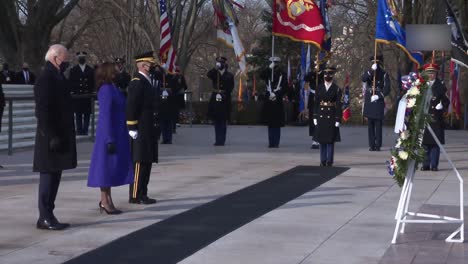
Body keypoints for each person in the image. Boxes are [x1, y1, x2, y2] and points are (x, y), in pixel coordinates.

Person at [33, 44, 77, 230]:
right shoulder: (46, 78)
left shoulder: (58, 76)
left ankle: (49, 214)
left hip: (60, 134)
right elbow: (42, 111)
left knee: (55, 175)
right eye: (65, 59)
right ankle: (44, 215)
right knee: (48, 176)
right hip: (50, 137)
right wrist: (51, 135)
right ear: (55, 58)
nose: (67, 63)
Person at [87, 62, 133, 214]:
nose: (118, 72)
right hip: (109, 134)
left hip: (117, 132)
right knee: (105, 170)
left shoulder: (113, 87)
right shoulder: (106, 89)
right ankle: (104, 201)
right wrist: (109, 139)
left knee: (109, 169)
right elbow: (105, 116)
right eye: (115, 70)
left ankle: (107, 199)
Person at [126, 51, 159, 204]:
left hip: (149, 127)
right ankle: (135, 195)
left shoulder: (147, 81)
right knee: (139, 161)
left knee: (147, 161)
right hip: (140, 128)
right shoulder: (137, 81)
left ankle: (143, 193)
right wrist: (132, 126)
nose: (153, 66)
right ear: (144, 65)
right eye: (151, 64)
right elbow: (132, 106)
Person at [421, 63, 450, 171]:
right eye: (429, 72)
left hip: (436, 118)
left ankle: (434, 164)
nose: (431, 75)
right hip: (424, 116)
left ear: (436, 73)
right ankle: (425, 163)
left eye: (433, 73)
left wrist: (442, 105)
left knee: (435, 143)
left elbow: (447, 101)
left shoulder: (440, 86)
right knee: (424, 143)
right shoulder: (422, 85)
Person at [313, 66, 342, 166]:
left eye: (329, 74)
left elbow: (338, 104)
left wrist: (338, 118)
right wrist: (315, 116)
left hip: (331, 115)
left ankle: (329, 161)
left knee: (330, 140)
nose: (327, 76)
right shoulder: (319, 88)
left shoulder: (336, 89)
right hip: (321, 115)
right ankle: (322, 160)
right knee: (322, 140)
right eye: (325, 74)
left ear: (332, 76)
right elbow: (316, 103)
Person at [362, 55, 390, 151]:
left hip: (377, 98)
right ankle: (371, 144)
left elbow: (387, 88)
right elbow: (364, 79)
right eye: (374, 63)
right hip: (370, 98)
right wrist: (370, 71)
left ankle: (378, 144)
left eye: (377, 63)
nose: (375, 64)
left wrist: (379, 95)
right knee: (370, 123)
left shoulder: (384, 73)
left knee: (378, 124)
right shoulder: (369, 72)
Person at [207, 56, 234, 146]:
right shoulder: (215, 73)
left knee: (223, 121)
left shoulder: (229, 75)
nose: (220, 64)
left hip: (224, 99)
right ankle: (217, 140)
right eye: (218, 62)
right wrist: (215, 68)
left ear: (225, 64)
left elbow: (231, 87)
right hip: (215, 99)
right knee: (216, 121)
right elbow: (209, 74)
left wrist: (224, 94)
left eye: (221, 62)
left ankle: (221, 140)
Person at [260, 56, 287, 148]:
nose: (275, 64)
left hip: (277, 99)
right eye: (273, 62)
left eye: (276, 63)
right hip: (269, 98)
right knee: (270, 122)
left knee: (277, 122)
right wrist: (269, 68)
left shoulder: (282, 73)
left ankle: (276, 142)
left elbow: (285, 87)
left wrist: (277, 94)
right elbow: (261, 75)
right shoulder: (268, 73)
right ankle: (271, 142)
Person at [69, 51, 95, 135]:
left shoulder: (90, 70)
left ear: (85, 58)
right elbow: (71, 82)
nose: (81, 59)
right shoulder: (73, 70)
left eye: (83, 57)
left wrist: (91, 91)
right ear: (77, 59)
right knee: (78, 115)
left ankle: (85, 131)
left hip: (87, 96)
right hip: (78, 96)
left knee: (87, 115)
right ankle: (79, 131)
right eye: (80, 58)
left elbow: (93, 83)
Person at [304, 67, 323, 149]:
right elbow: (306, 79)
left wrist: (320, 73)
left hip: (322, 97)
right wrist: (313, 73)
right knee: (313, 118)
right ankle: (315, 140)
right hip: (313, 97)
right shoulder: (312, 74)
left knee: (321, 118)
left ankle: (320, 139)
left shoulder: (324, 74)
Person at [157, 66, 174, 144]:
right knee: (162, 122)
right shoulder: (159, 77)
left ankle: (169, 138)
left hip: (170, 103)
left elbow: (175, 88)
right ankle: (164, 138)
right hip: (161, 103)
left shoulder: (172, 77)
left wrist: (168, 91)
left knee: (169, 122)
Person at [170, 66, 188, 133]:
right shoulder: (174, 77)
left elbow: (185, 86)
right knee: (174, 113)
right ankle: (173, 127)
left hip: (176, 97)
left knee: (174, 113)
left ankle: (173, 127)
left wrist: (181, 89)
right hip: (174, 97)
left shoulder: (179, 77)